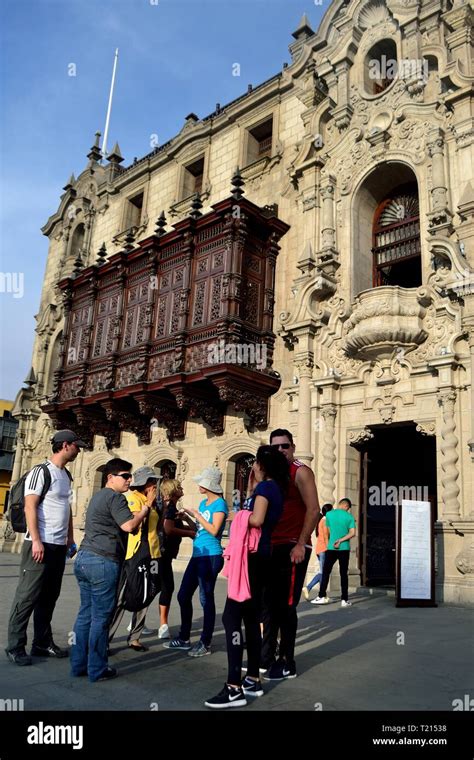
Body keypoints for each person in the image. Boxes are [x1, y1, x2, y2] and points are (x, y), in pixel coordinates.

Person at [205, 446, 289, 709]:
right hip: (263, 557)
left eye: (255, 463)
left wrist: (239, 515)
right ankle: (253, 678)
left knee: (231, 617)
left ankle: (233, 687)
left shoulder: (266, 489)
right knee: (251, 619)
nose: (252, 467)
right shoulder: (274, 488)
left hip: (251, 558)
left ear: (262, 465)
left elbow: (257, 519)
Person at [6, 429, 85, 666]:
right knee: (27, 596)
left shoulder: (67, 476)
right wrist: (37, 540)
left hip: (58, 545)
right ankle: (15, 646)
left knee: (50, 596)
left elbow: (67, 509)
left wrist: (70, 538)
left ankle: (41, 642)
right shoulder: (41, 472)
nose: (79, 449)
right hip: (39, 544)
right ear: (65, 446)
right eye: (76, 445)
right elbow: (30, 507)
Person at [70, 458, 151, 682]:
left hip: (84, 558)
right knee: (101, 618)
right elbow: (129, 526)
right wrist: (144, 510)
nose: (129, 480)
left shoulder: (97, 496)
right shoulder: (116, 498)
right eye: (125, 476)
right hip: (103, 561)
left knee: (85, 613)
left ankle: (78, 664)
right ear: (111, 477)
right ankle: (97, 669)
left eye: (130, 476)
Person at [261, 429, 320, 680]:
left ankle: (287, 661)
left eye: (285, 446)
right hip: (271, 546)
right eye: (275, 447)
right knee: (268, 605)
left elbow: (314, 509)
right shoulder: (272, 475)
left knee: (286, 606)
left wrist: (301, 543)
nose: (280, 451)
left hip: (292, 546)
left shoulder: (301, 471)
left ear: (293, 447)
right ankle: (265, 658)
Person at [164, 466, 227, 657]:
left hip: (211, 556)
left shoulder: (219, 505)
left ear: (208, 485)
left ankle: (205, 642)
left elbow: (215, 530)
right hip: (198, 554)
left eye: (201, 482)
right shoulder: (203, 503)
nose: (198, 485)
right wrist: (189, 519)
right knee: (183, 595)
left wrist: (197, 516)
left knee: (205, 598)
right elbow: (199, 530)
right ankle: (184, 638)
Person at [108, 466, 161, 651]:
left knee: (147, 593)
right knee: (123, 596)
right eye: (152, 481)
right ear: (145, 483)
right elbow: (134, 525)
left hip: (153, 555)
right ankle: (106, 637)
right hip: (135, 554)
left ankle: (135, 637)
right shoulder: (133, 499)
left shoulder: (151, 501)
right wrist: (148, 505)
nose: (155, 484)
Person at [157, 478, 197, 640]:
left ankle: (139, 622)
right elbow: (168, 529)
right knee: (166, 587)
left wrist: (187, 520)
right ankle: (163, 625)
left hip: (162, 554)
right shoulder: (170, 507)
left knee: (154, 587)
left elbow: (185, 527)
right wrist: (191, 534)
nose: (182, 489)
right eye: (179, 487)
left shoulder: (170, 508)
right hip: (162, 554)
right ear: (173, 491)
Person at [312, 498, 356, 607]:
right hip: (344, 548)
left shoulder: (330, 515)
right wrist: (341, 540)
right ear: (346, 506)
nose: (347, 510)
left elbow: (329, 530)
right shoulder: (349, 517)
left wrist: (334, 540)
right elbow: (352, 533)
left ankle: (321, 596)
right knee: (343, 574)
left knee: (326, 572)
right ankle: (344, 600)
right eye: (348, 508)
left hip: (331, 547)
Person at [303, 504, 333, 601]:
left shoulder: (324, 521)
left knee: (323, 572)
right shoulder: (324, 521)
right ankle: (308, 588)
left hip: (321, 549)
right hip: (324, 549)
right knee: (323, 573)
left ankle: (322, 594)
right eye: (332, 510)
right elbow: (325, 536)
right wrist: (329, 548)